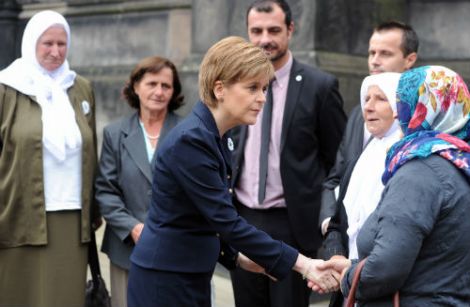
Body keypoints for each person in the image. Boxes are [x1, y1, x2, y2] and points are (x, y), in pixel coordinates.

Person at [127, 36, 339, 307]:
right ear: (219, 89)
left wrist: (235, 258)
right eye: (252, 88)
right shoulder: (192, 140)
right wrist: (303, 264)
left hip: (187, 273)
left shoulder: (217, 135)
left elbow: (200, 218)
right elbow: (225, 220)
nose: (262, 98)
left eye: (264, 88)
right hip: (165, 280)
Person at [317, 65, 470, 305]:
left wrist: (348, 276)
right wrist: (353, 265)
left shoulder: (420, 171)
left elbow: (385, 270)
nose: (400, 113)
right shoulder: (459, 160)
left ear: (425, 108)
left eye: (405, 101)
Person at [230, 1, 346, 306]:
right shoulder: (234, 84)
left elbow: (337, 160)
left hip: (293, 224)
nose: (264, 38)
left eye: (273, 30)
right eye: (256, 31)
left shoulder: (320, 87)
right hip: (242, 218)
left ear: (291, 30)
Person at [0, 10, 98, 307]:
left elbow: (91, 148)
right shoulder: (7, 87)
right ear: (31, 43)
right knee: (19, 294)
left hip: (71, 216)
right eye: (48, 43)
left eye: (62, 43)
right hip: (17, 215)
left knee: (64, 296)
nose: (56, 51)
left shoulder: (80, 88)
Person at [95, 56, 183, 307]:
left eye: (166, 86)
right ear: (135, 86)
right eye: (151, 83)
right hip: (126, 250)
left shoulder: (188, 131)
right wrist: (133, 227)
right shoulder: (115, 133)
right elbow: (106, 191)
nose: (159, 91)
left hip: (176, 249)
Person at [319, 20, 419, 235]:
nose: (374, 61)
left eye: (385, 53)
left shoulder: (423, 117)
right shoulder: (358, 113)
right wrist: (330, 221)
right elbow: (336, 176)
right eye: (371, 52)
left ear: (410, 59)